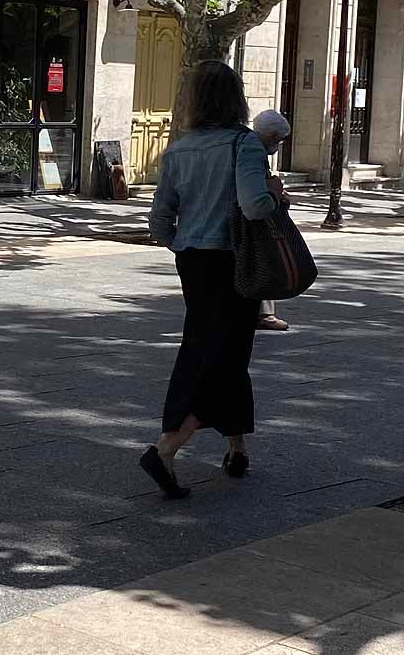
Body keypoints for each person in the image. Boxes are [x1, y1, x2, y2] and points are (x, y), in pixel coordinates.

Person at [141, 61, 285, 498]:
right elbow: (256, 206)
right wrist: (275, 194)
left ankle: (237, 447)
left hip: (193, 261)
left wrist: (184, 242)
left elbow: (160, 220)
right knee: (222, 357)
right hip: (233, 261)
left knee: (211, 346)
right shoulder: (245, 145)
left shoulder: (179, 149)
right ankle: (167, 448)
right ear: (236, 100)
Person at [253, 110, 293, 332]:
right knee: (265, 260)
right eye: (277, 139)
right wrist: (274, 193)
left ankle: (265, 313)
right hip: (257, 218)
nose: (278, 145)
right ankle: (265, 314)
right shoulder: (253, 151)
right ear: (269, 136)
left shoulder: (252, 148)